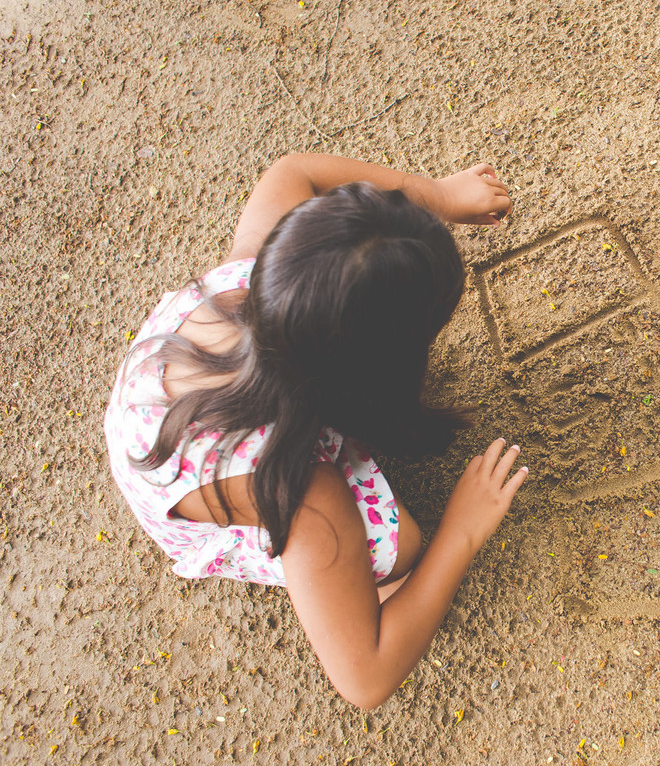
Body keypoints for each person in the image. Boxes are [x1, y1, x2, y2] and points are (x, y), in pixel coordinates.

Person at [103, 153, 526, 709]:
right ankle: (384, 573)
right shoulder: (302, 492)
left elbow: (292, 172)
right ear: (372, 376)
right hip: (222, 478)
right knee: (403, 549)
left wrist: (439, 197)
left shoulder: (257, 276)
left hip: (199, 404)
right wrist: (461, 532)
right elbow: (365, 679)